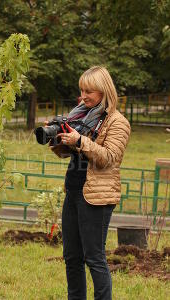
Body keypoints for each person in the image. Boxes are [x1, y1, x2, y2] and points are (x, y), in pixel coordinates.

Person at [50, 66, 131, 300]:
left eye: (89, 91)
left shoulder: (118, 122)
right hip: (74, 190)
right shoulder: (81, 115)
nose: (83, 96)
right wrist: (59, 140)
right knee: (71, 257)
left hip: (97, 196)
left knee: (94, 257)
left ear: (104, 91)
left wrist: (80, 141)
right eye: (82, 90)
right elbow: (71, 153)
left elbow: (108, 158)